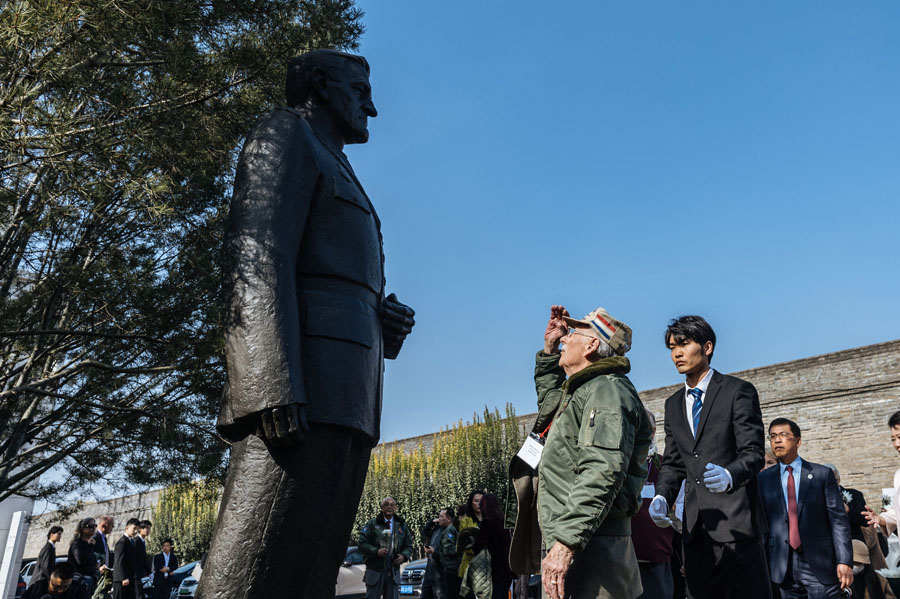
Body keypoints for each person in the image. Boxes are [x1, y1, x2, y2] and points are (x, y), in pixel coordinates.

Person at [198, 49, 415, 599]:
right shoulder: (284, 135)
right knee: (249, 567)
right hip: (298, 392)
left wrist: (381, 320)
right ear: (320, 83)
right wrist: (268, 382)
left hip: (348, 392)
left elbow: (331, 276)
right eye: (360, 90)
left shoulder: (335, 160)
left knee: (309, 568)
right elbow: (255, 258)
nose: (372, 107)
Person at [511, 305, 652, 599]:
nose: (565, 337)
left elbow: (601, 471)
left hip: (592, 549)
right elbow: (551, 403)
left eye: (574, 333)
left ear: (591, 346)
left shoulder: (606, 391)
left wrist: (565, 544)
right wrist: (549, 352)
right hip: (580, 541)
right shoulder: (582, 391)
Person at [649, 315, 771, 599]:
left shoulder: (737, 391)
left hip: (737, 525)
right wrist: (662, 496)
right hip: (695, 529)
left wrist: (730, 475)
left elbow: (753, 452)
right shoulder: (673, 404)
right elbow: (674, 463)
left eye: (684, 344)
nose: (677, 353)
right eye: (672, 347)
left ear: (707, 347)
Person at [758, 418, 853, 596]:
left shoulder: (821, 474)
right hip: (782, 566)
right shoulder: (764, 479)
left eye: (783, 435)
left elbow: (838, 521)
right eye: (773, 436)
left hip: (818, 563)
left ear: (798, 441)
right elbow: (762, 523)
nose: (777, 440)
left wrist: (844, 560)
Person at [631, 410, 675, 599]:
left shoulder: (665, 467)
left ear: (653, 431)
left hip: (657, 561)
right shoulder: (621, 466)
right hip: (624, 561)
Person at [358, 497, 414, 599]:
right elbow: (362, 543)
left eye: (392, 505)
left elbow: (409, 546)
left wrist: (403, 556)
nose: (389, 507)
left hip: (393, 570)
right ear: (381, 508)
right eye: (386, 505)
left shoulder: (401, 525)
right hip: (375, 569)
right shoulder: (372, 524)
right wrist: (376, 551)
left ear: (395, 508)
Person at [422, 508, 458, 599]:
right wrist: (432, 522)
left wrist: (434, 552)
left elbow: (450, 554)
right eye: (439, 516)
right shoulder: (437, 529)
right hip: (430, 572)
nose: (439, 519)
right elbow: (425, 532)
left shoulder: (451, 531)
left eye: (441, 517)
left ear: (449, 519)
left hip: (441, 574)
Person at [68, 518, 100, 596]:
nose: (93, 528)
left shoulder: (88, 543)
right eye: (90, 526)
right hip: (80, 580)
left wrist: (96, 564)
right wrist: (90, 546)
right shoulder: (77, 543)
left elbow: (89, 559)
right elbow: (81, 560)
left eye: (95, 526)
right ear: (82, 529)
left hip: (89, 579)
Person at [112, 518, 140, 599]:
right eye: (134, 528)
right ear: (127, 528)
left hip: (130, 578)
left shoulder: (131, 542)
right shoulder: (122, 542)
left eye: (137, 529)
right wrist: (123, 578)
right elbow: (119, 561)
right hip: (121, 579)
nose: (136, 531)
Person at [133, 521, 151, 599]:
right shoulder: (136, 541)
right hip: (135, 575)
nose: (148, 530)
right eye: (147, 528)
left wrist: (149, 572)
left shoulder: (142, 541)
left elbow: (143, 558)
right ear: (140, 529)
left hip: (140, 574)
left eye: (149, 528)